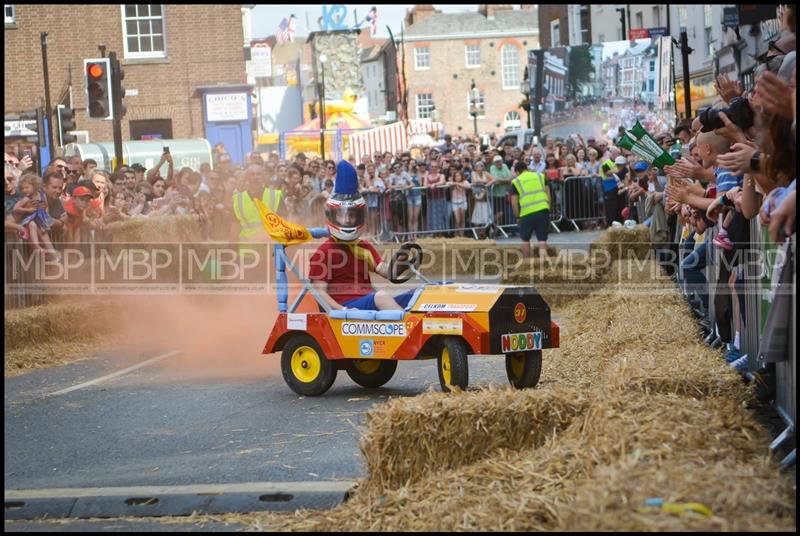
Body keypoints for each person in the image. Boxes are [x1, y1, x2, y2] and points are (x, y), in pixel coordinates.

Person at [308, 160, 417, 311]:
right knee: (381, 296)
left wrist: (402, 258)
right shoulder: (324, 251)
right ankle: (409, 331)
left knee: (417, 295)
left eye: (352, 215)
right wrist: (343, 311)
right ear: (332, 215)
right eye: (342, 215)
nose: (347, 219)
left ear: (360, 216)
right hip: (345, 309)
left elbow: (389, 273)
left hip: (367, 303)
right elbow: (318, 291)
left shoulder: (364, 246)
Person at [510, 161, 550, 259]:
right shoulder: (540, 176)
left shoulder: (516, 181)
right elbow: (548, 194)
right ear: (526, 169)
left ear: (517, 172)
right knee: (542, 239)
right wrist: (548, 209)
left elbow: (514, 204)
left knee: (525, 239)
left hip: (527, 213)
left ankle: (527, 264)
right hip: (543, 210)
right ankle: (543, 263)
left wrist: (517, 216)